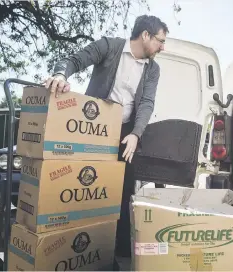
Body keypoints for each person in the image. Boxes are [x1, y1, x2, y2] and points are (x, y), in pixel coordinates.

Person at [44, 15, 169, 258]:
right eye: (160, 41)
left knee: (123, 192)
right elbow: (76, 59)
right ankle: (75, 246)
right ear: (145, 35)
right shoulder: (109, 46)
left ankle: (118, 252)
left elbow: (147, 103)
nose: (163, 47)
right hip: (94, 127)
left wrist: (136, 134)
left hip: (126, 133)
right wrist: (61, 75)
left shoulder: (153, 69)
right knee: (86, 183)